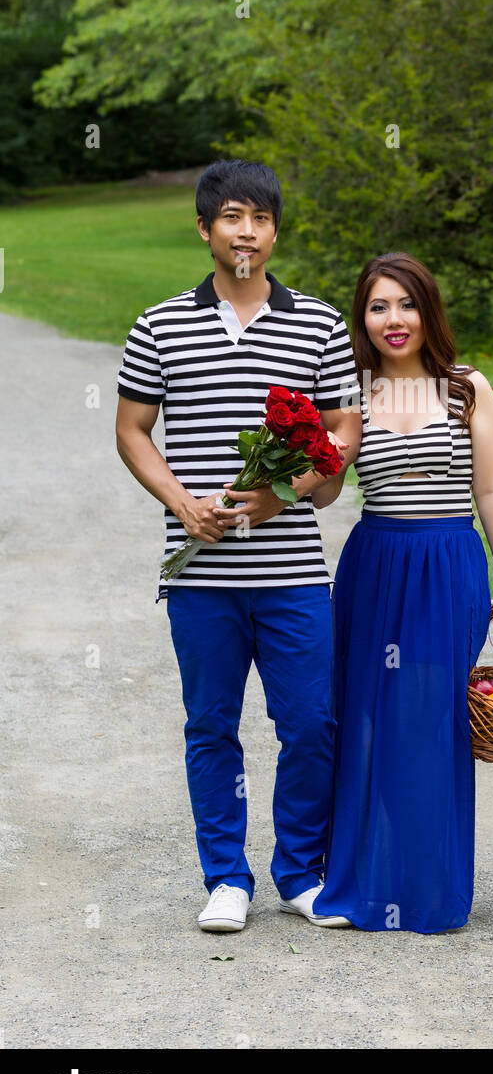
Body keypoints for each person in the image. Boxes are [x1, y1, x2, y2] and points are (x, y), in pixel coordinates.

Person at [115, 159, 362, 932]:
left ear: (275, 230)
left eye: (258, 218)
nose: (245, 231)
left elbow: (342, 435)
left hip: (290, 574)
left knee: (312, 724)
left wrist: (284, 492)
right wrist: (181, 502)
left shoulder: (318, 323)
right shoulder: (159, 325)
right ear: (204, 229)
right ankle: (225, 877)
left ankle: (300, 873)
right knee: (211, 725)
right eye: (230, 217)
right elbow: (132, 429)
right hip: (201, 582)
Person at [311, 251, 493, 933]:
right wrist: (301, 452)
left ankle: (430, 886)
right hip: (375, 563)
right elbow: (323, 495)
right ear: (364, 319)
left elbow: (488, 489)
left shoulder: (466, 389)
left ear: (427, 310)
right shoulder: (353, 393)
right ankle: (363, 878)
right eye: (378, 307)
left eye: (405, 304)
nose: (393, 319)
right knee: (368, 714)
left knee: (433, 719)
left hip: (447, 564)